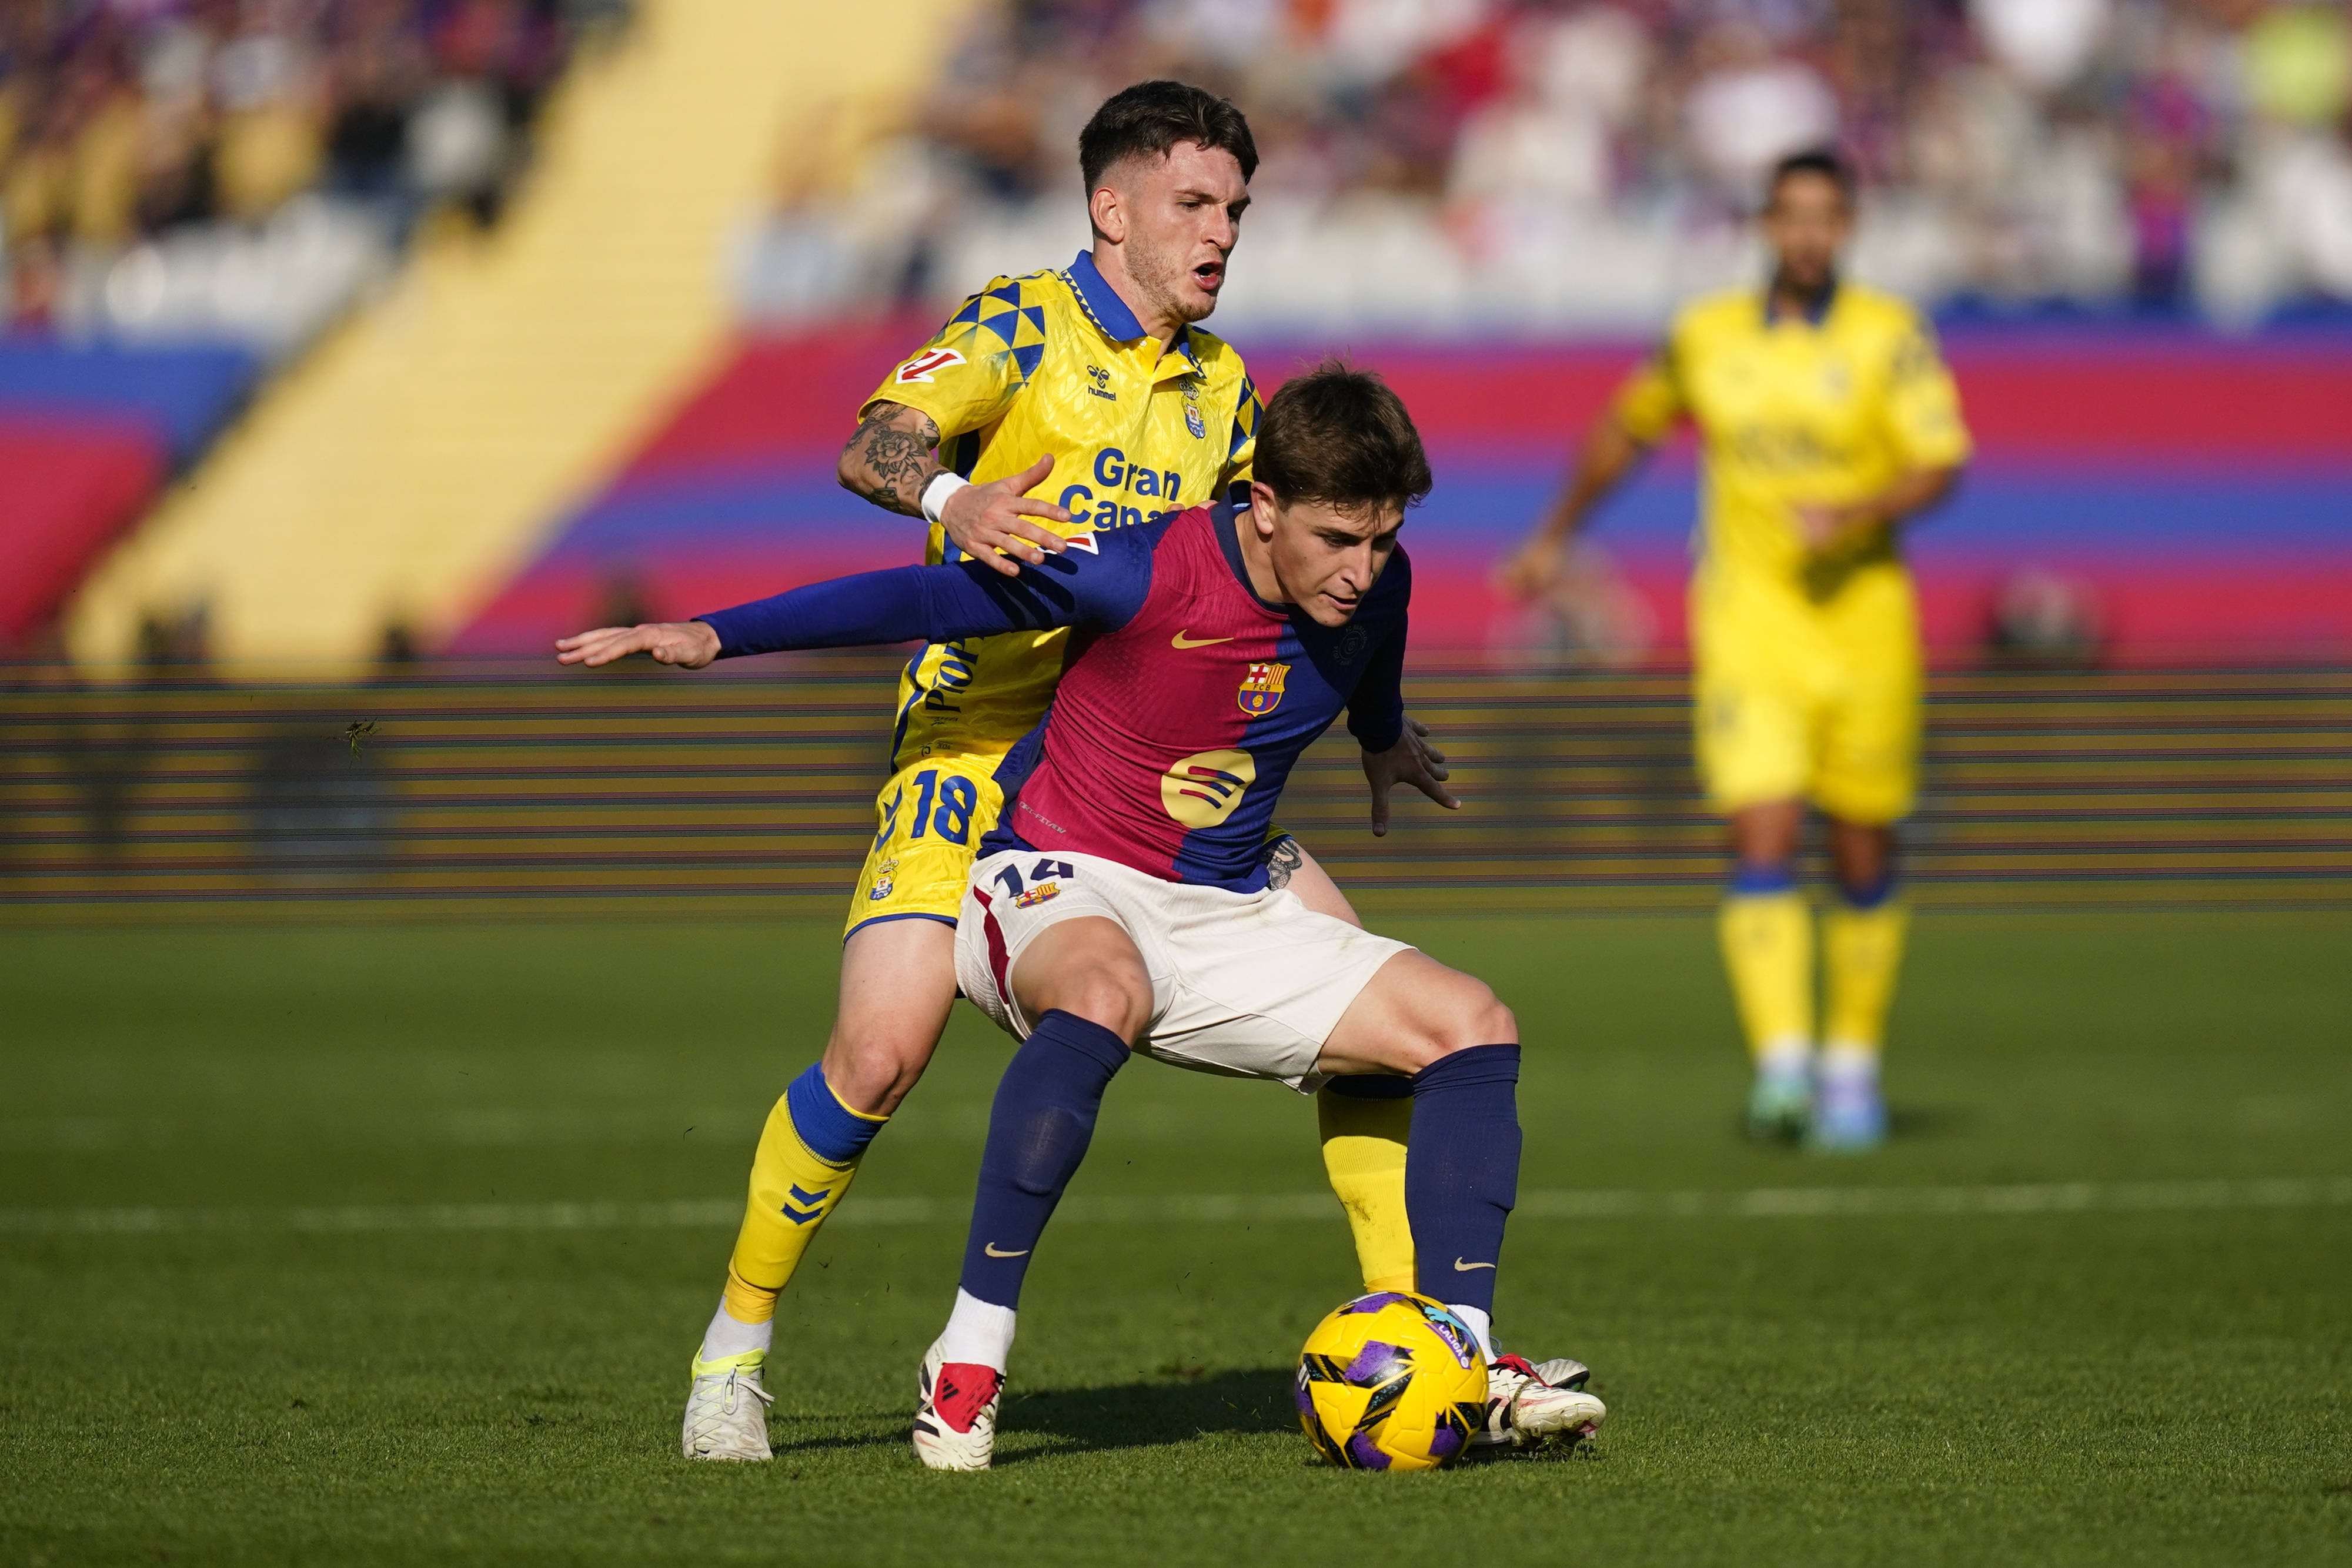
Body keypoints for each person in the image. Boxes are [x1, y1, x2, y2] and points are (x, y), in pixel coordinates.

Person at [568, 79, 1559, 1464]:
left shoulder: (1227, 391)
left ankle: (1433, 1352)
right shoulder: (1019, 326)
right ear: (1111, 208)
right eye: (1193, 204)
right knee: (877, 1055)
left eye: (1236, 210)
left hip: (1140, 753)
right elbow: (873, 443)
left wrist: (1372, 724)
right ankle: (732, 1350)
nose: (1221, 234)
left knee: (1376, 1008)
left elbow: (1284, 574)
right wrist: (947, 496)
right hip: (975, 737)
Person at [1498, 148, 1971, 1152]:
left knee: (1861, 846)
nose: (1807, 234)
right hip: (1749, 628)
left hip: (1866, 629)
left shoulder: (1890, 336)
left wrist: (1854, 512)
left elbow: (1939, 463)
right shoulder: (1706, 335)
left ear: (1848, 227)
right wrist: (1556, 534)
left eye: (1826, 216)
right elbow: (1627, 430)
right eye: (1791, 214)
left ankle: (1851, 1065)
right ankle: (1784, 1067)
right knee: (1761, 831)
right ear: (1765, 224)